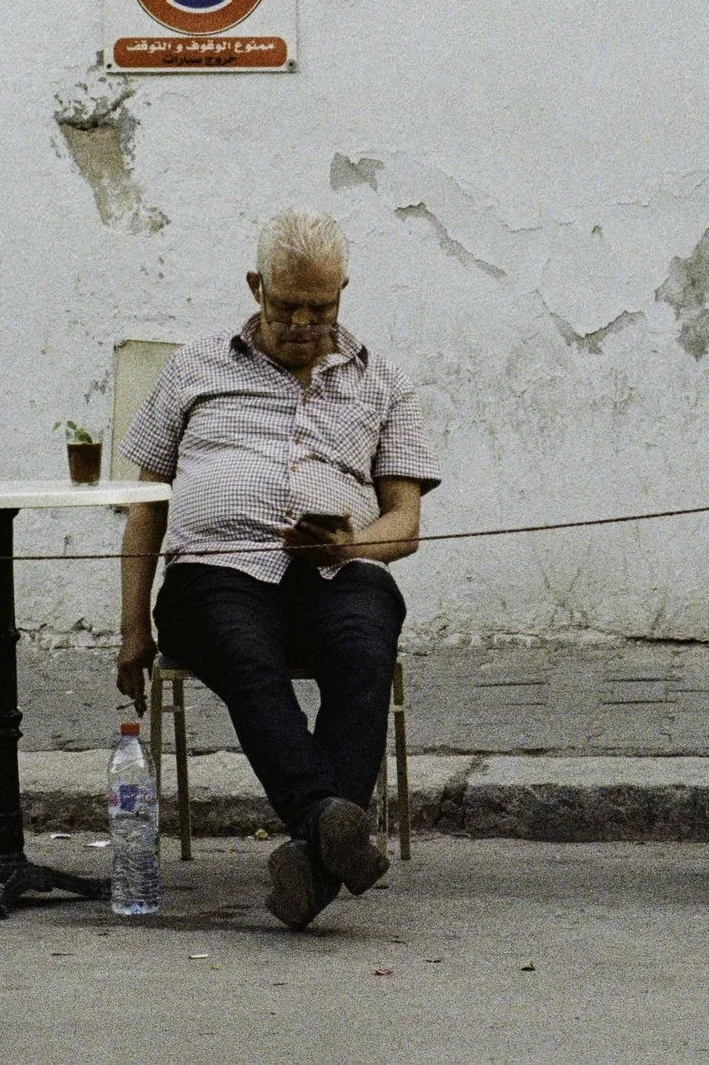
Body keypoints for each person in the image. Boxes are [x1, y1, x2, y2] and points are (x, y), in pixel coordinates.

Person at [115, 207, 437, 930]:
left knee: (365, 642)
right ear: (255, 286)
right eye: (285, 304)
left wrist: (352, 548)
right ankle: (331, 825)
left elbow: (405, 524)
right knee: (246, 657)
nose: (300, 321)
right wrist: (132, 625)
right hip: (214, 570)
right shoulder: (195, 366)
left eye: (318, 308)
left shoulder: (383, 381)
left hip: (332, 569)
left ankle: (314, 850)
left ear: (342, 293)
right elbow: (144, 507)